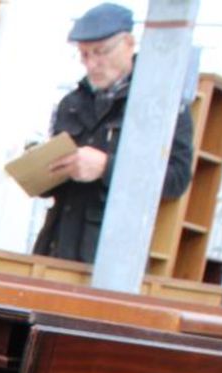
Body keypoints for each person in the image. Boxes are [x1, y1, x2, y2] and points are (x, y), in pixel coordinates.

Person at [33, 3, 195, 264]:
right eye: (84, 54)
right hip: (54, 246)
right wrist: (40, 167)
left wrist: (108, 167)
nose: (92, 64)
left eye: (100, 52)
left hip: (111, 257)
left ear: (129, 44)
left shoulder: (160, 106)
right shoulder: (71, 104)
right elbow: (53, 185)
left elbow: (176, 179)